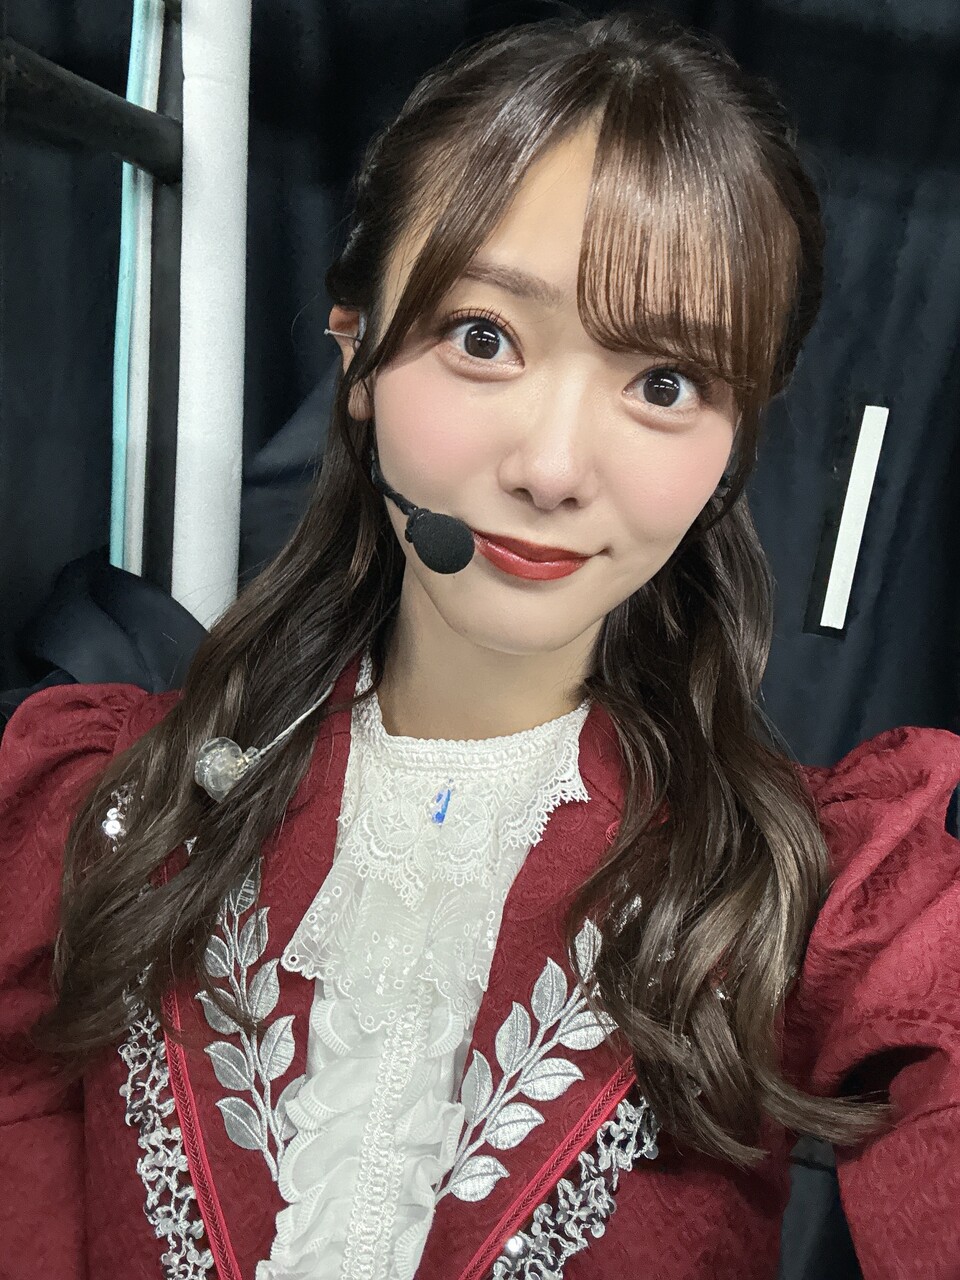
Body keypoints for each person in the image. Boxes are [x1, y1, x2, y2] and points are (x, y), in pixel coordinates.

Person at [1, 11, 958, 1280]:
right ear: (357, 351)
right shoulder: (99, 808)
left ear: (735, 444)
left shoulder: (814, 887)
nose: (554, 469)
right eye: (484, 337)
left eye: (665, 382)